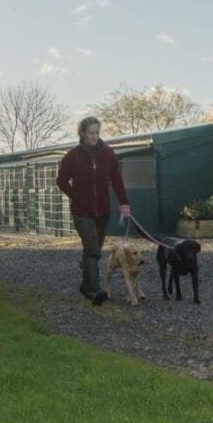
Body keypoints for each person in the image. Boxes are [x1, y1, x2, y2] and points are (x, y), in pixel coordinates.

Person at [56, 116, 131, 305]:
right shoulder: (72, 156)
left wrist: (124, 204)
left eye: (97, 132)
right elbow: (61, 180)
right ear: (82, 133)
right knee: (91, 248)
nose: (95, 136)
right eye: (91, 133)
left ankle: (85, 286)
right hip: (82, 211)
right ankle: (94, 291)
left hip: (103, 210)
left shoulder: (108, 153)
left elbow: (116, 179)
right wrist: (76, 196)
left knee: (95, 251)